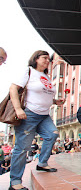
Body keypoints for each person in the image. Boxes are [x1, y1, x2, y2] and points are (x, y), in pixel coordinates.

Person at [9, 50, 65, 190]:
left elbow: (43, 96)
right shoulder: (29, 72)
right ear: (36, 59)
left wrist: (55, 101)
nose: (47, 61)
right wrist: (18, 109)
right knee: (22, 148)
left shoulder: (46, 76)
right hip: (29, 114)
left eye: (48, 59)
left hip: (44, 115)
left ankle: (42, 163)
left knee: (52, 134)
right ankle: (15, 182)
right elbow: (13, 88)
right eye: (44, 58)